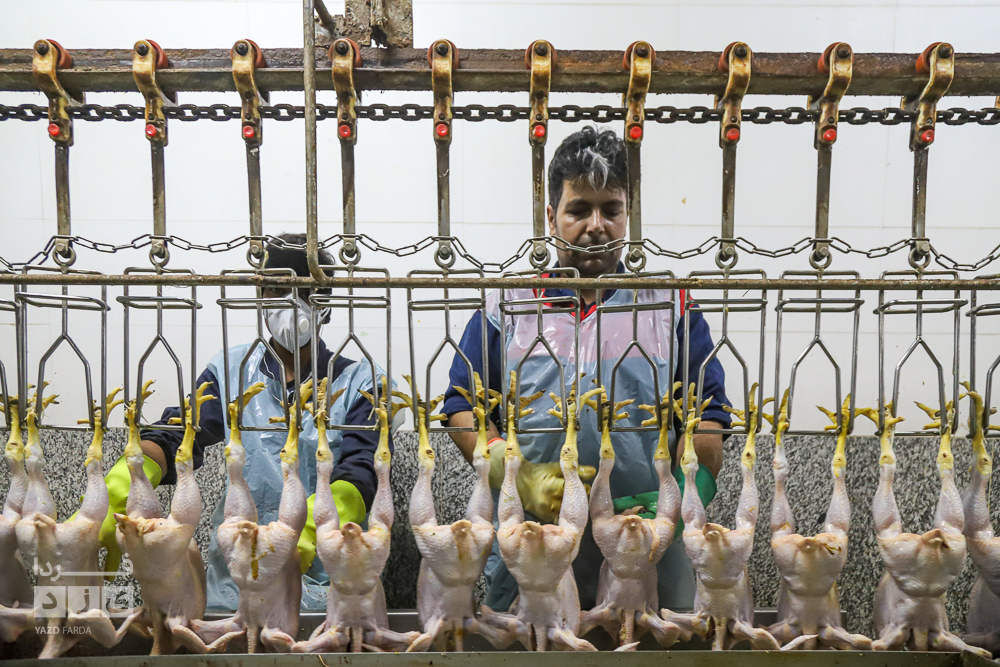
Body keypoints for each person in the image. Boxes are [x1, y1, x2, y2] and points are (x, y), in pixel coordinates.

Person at [442, 127, 732, 612]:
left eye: (611, 210)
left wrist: (682, 494)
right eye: (579, 210)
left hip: (650, 546)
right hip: (535, 545)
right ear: (551, 217)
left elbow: (707, 414)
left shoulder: (670, 304)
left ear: (628, 215)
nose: (596, 225)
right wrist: (513, 472)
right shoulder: (509, 305)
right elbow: (461, 406)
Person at [92, 233, 383, 611]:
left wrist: (308, 532)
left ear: (325, 303)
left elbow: (361, 469)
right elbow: (179, 432)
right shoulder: (231, 371)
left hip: (330, 580)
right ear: (260, 297)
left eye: (306, 292)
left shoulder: (363, 382)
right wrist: (126, 478)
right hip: (235, 581)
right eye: (277, 289)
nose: (291, 303)